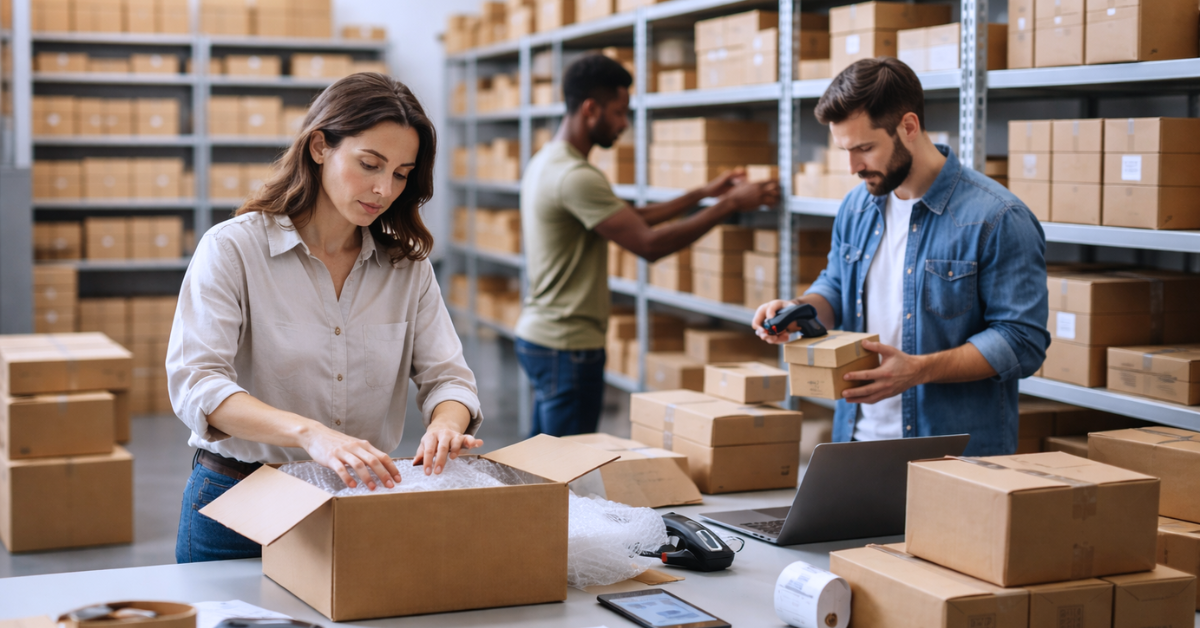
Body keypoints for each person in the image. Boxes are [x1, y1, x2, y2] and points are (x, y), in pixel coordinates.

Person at [167, 73, 484, 563]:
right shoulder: (233, 249)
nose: (383, 188)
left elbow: (449, 379)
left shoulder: (407, 267)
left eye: (401, 173)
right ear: (319, 147)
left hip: (360, 502)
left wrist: (445, 422)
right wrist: (310, 434)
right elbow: (198, 385)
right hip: (239, 503)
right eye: (369, 164)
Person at [752, 57, 1049, 456]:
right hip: (857, 443)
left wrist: (918, 371)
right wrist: (799, 310)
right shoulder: (857, 206)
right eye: (845, 150)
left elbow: (1022, 342)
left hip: (951, 457)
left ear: (908, 127)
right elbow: (838, 286)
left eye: (865, 148)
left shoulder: (997, 217)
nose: (853, 166)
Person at [516, 54, 781, 437]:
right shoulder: (575, 175)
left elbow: (628, 215)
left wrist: (703, 194)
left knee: (541, 464)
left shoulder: (549, 161)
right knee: (561, 475)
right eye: (620, 112)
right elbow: (649, 244)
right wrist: (730, 205)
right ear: (591, 109)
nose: (625, 124)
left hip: (545, 337)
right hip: (567, 344)